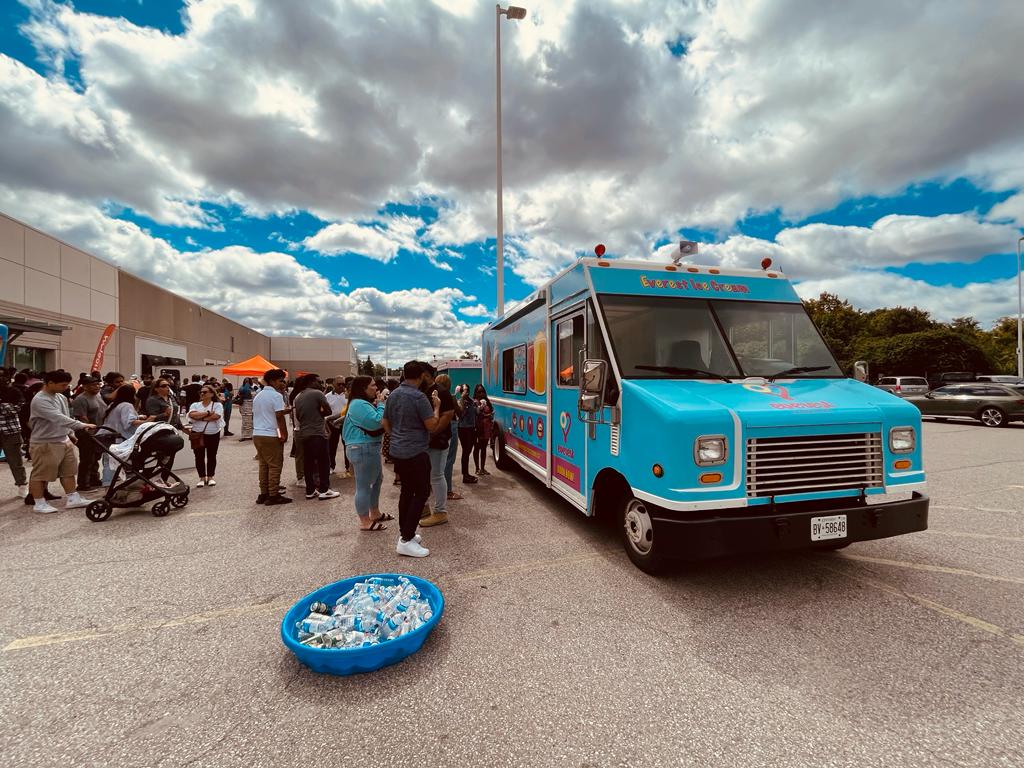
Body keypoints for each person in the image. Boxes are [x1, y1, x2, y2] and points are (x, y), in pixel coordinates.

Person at [382, 360, 441, 557]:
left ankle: (405, 533)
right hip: (415, 452)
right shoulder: (419, 397)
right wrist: (437, 407)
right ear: (423, 375)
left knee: (407, 491)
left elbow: (385, 422)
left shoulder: (394, 394)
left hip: (399, 451)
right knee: (422, 492)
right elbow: (432, 425)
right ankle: (406, 538)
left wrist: (396, 437)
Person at [27, 370, 97, 514]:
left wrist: (70, 433)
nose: (66, 387)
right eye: (63, 384)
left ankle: (73, 498)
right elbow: (57, 417)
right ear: (50, 383)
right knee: (41, 473)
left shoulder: (60, 396)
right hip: (45, 442)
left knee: (68, 471)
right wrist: (81, 425)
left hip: (62, 439)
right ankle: (39, 502)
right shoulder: (40, 400)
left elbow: (65, 416)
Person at [343, 376, 388, 530]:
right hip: (362, 448)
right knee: (364, 485)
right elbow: (377, 422)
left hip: (367, 447)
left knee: (376, 480)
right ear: (363, 388)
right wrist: (381, 405)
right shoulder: (358, 404)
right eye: (373, 385)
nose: (376, 388)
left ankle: (374, 512)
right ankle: (364, 521)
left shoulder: (361, 403)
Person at [293, 375, 339, 500]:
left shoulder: (298, 396)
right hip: (317, 432)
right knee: (323, 461)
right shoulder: (317, 393)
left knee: (308, 463)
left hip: (304, 433)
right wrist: (320, 412)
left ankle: (310, 490)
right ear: (311, 382)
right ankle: (324, 490)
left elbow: (297, 415)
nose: (322, 384)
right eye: (319, 382)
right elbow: (328, 411)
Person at [422, 369, 456, 527]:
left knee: (436, 475)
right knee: (425, 475)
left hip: (438, 441)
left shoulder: (442, 392)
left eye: (424, 376)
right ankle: (425, 508)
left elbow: (448, 415)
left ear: (429, 377)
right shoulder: (421, 390)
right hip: (424, 441)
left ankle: (440, 511)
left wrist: (433, 432)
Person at [252, 369, 291, 505]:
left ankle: (264, 493)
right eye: (281, 381)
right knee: (275, 465)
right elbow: (278, 416)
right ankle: (273, 495)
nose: (284, 383)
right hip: (271, 434)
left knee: (264, 465)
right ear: (273, 381)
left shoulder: (259, 395)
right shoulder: (276, 396)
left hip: (258, 434)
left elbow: (265, 413)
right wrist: (284, 434)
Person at [71, 375, 104, 491]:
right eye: (93, 385)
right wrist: (89, 430)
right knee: (87, 459)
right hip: (86, 433)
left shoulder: (98, 396)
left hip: (99, 432)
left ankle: (94, 479)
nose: (97, 387)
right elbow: (81, 417)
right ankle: (83, 483)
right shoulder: (81, 399)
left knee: (95, 458)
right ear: (85, 387)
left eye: (98, 384)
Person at [188, 383, 224, 487]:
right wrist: (208, 413)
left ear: (212, 394)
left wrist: (200, 417)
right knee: (198, 456)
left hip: (213, 433)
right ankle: (202, 477)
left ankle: (211, 477)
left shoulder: (217, 405)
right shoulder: (195, 405)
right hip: (197, 433)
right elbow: (192, 415)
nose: (202, 394)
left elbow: (216, 416)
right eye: (201, 392)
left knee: (211, 456)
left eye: (205, 392)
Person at [0, 385, 28, 498]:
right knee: (16, 462)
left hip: (11, 432)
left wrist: (3, 405)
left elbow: (16, 409)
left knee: (16, 462)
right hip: (11, 431)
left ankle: (22, 485)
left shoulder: (13, 391)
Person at [456, 385, 481, 485]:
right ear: (461, 391)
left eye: (467, 390)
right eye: (465, 390)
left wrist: (480, 407)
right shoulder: (460, 401)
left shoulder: (472, 401)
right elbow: (460, 414)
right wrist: (462, 398)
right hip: (463, 428)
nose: (467, 392)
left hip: (472, 428)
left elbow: (476, 413)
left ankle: (466, 474)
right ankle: (465, 475)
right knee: (466, 451)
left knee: (469, 450)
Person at [325, 376, 349, 476]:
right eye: (339, 384)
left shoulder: (348, 395)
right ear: (333, 384)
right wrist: (329, 421)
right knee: (331, 447)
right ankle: (331, 466)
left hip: (346, 424)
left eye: (343, 384)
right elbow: (325, 411)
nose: (341, 386)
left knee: (347, 446)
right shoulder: (327, 396)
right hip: (331, 424)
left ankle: (348, 467)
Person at [444, 382, 463, 500]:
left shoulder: (432, 396)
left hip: (438, 429)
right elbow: (460, 413)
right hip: (451, 426)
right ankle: (448, 490)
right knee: (449, 460)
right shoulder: (450, 397)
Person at [474, 384, 494, 475]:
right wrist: (484, 412)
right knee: (477, 448)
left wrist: (491, 415)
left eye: (482, 391)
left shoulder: (487, 401)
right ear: (476, 393)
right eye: (479, 391)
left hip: (486, 428)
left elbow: (491, 411)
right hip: (478, 428)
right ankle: (477, 468)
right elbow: (477, 414)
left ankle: (483, 468)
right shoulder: (475, 402)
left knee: (484, 448)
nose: (481, 393)